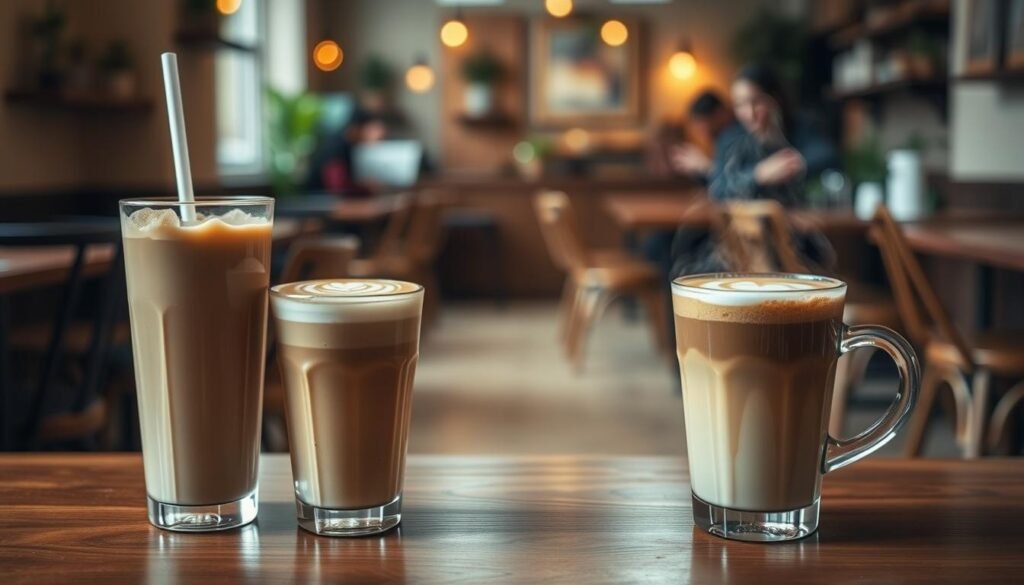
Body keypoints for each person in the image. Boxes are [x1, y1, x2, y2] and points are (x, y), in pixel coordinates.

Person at [710, 63, 838, 205]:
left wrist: (791, 164)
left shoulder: (799, 126)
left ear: (776, 98)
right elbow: (718, 190)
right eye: (740, 104)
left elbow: (828, 155)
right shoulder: (730, 138)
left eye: (757, 101)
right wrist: (758, 175)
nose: (750, 113)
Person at [669, 90, 746, 182]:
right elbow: (716, 185)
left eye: (701, 123)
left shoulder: (736, 135)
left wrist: (705, 166)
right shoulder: (721, 138)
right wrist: (697, 170)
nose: (699, 130)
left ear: (719, 113)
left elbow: (737, 182)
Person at [306, 110, 387, 196]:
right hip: (318, 203)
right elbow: (337, 189)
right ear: (356, 128)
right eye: (372, 130)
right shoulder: (336, 147)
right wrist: (365, 188)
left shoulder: (350, 146)